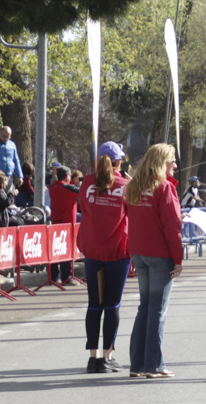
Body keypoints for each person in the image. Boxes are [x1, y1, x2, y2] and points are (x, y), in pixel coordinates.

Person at [124, 143, 183, 378]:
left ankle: (137, 365)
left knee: (145, 308)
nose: (175, 165)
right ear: (162, 163)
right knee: (157, 310)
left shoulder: (135, 187)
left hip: (139, 252)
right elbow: (172, 227)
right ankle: (154, 365)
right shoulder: (164, 187)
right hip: (160, 254)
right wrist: (178, 259)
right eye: (172, 161)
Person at [77, 141, 131, 374]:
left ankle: (93, 357)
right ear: (119, 162)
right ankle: (108, 356)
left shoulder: (87, 183)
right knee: (112, 305)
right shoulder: (126, 185)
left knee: (94, 305)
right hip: (117, 252)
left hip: (92, 252)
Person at [49, 166, 81, 285]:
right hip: (67, 223)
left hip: (55, 221)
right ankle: (67, 276)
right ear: (67, 176)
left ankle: (54, 277)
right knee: (66, 250)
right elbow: (81, 193)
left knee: (54, 250)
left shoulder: (52, 187)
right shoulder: (68, 187)